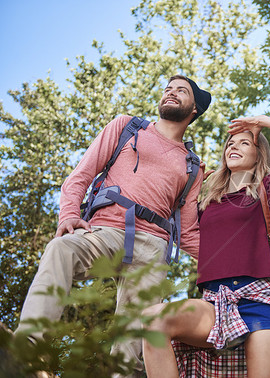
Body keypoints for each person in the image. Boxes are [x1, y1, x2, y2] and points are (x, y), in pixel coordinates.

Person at [15, 74, 211, 376]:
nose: (171, 93)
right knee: (61, 249)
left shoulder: (193, 166)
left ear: (194, 109)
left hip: (153, 248)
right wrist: (68, 214)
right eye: (168, 88)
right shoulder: (127, 127)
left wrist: (232, 263)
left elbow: (187, 233)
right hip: (103, 230)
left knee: (132, 341)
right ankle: (27, 349)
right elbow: (80, 176)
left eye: (181, 91)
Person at [142, 115, 270, 377]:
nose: (233, 147)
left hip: (262, 302)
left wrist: (260, 122)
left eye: (244, 143)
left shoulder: (269, 190)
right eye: (230, 143)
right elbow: (179, 229)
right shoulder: (205, 201)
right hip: (214, 300)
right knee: (155, 322)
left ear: (259, 155)